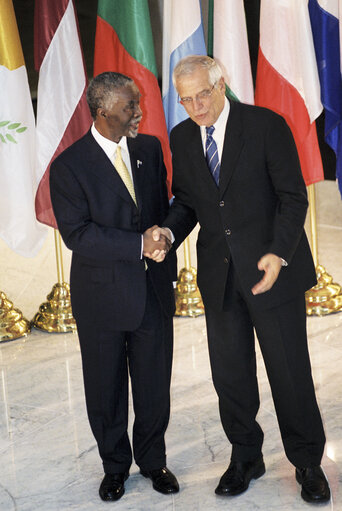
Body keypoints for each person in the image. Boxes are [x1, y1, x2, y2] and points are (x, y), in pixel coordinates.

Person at [153, 55, 330, 504]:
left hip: (272, 273)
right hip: (219, 276)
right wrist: (169, 232)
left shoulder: (266, 125)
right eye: (186, 99)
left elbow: (293, 199)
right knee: (230, 376)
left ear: (221, 85)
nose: (196, 107)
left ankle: (307, 461)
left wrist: (277, 254)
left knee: (289, 373)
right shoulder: (182, 137)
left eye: (202, 95)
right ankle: (245, 456)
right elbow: (190, 201)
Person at [49, 72, 179, 502]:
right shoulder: (69, 166)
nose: (138, 112)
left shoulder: (149, 149)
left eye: (136, 103)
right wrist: (139, 244)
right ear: (103, 112)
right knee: (105, 388)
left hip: (152, 293)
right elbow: (78, 235)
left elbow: (160, 209)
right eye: (129, 106)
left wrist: (161, 238)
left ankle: (153, 461)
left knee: (154, 384)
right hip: (101, 297)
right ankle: (114, 466)